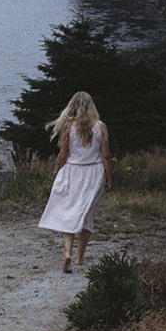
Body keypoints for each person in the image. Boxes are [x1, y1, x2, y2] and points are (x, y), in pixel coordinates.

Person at [37, 91, 112, 273]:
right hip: (94, 173)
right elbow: (106, 155)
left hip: (72, 171)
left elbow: (63, 154)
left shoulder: (69, 126)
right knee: (86, 214)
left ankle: (68, 253)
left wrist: (56, 170)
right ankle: (80, 258)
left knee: (69, 212)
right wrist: (109, 178)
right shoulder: (101, 127)